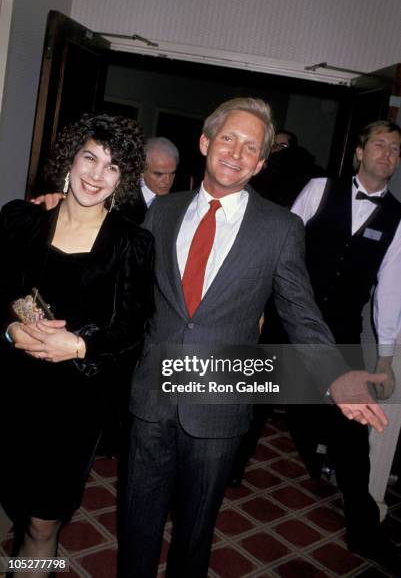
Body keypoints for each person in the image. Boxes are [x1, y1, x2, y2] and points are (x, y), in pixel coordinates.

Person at [120, 98, 388, 578]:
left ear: (262, 163)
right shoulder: (161, 211)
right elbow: (122, 283)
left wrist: (337, 375)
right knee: (136, 526)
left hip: (220, 398)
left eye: (251, 147)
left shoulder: (280, 228)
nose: (236, 153)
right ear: (205, 143)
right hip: (152, 397)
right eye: (228, 138)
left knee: (195, 533)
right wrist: (63, 206)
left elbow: (301, 312)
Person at [0, 114, 154, 576]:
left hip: (72, 406)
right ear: (70, 157)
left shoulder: (132, 244)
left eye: (112, 167)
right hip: (8, 387)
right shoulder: (18, 219)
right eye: (90, 157)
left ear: (122, 181)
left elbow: (132, 329)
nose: (95, 175)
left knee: (44, 523)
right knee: (12, 503)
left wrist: (80, 346)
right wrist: (10, 330)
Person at [284, 119, 401, 572]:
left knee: (352, 437)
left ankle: (364, 530)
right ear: (358, 151)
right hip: (290, 322)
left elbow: (390, 290)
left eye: (395, 148)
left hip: (341, 333)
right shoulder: (318, 188)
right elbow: (284, 248)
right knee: (248, 404)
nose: (386, 153)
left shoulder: (396, 217)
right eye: (379, 144)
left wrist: (386, 361)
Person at [251, 129, 324, 207]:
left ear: (292, 148)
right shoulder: (260, 167)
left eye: (283, 145)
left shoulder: (297, 170)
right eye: (274, 145)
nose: (277, 148)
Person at [129, 136, 179, 223]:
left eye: (172, 173)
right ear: (141, 170)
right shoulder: (122, 201)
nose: (167, 181)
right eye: (159, 174)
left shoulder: (179, 203)